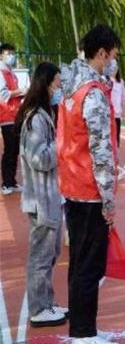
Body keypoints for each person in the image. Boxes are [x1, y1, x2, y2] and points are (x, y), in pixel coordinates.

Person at [57, 24, 121, 344]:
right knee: (89, 266)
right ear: (102, 53)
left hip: (72, 185)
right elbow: (101, 152)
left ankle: (85, 327)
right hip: (89, 190)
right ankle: (83, 337)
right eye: (113, 56)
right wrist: (108, 200)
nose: (114, 63)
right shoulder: (92, 94)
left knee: (81, 263)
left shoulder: (72, 87)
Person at [15, 62, 68, 327]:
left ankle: (46, 301)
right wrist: (60, 145)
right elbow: (39, 158)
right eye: (57, 84)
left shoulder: (44, 115)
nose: (59, 89)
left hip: (50, 196)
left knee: (51, 251)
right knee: (41, 255)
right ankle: (38, 308)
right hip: (40, 198)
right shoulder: (35, 119)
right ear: (46, 84)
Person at [0, 43, 25, 195]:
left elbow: (13, 94)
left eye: (12, 53)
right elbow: (3, 94)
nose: (11, 56)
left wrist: (22, 94)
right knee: (9, 150)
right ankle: (6, 184)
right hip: (6, 115)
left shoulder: (11, 73)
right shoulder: (1, 72)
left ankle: (12, 181)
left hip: (15, 115)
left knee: (15, 149)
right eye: (8, 53)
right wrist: (20, 91)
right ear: (1, 55)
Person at [107, 59, 125, 147]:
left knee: (116, 136)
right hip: (108, 114)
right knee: (108, 137)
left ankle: (116, 152)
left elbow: (123, 98)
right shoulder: (105, 81)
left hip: (117, 114)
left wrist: (123, 113)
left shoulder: (120, 82)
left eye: (115, 67)